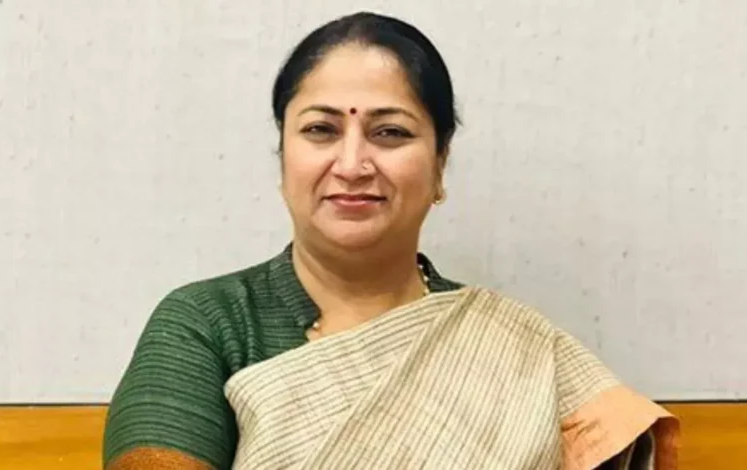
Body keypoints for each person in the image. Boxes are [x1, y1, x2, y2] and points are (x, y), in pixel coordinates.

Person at [102, 11, 678, 470]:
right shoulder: (208, 324)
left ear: (440, 164)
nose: (352, 164)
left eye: (390, 132)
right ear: (284, 158)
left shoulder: (519, 348)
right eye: (321, 130)